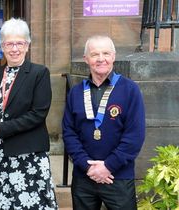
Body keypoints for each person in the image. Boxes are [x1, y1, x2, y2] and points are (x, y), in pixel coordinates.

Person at [0, 18, 58, 209]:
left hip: (27, 154)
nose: (14, 48)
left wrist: (1, 127)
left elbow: (38, 114)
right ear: (2, 46)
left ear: (27, 45)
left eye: (19, 43)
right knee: (0, 204)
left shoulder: (39, 73)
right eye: (9, 43)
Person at [62, 35, 145, 210]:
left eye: (106, 53)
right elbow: (69, 133)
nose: (101, 59)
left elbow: (134, 136)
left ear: (113, 56)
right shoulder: (76, 92)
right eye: (94, 54)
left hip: (118, 176)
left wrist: (108, 166)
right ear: (86, 59)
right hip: (84, 177)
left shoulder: (130, 90)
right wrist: (87, 166)